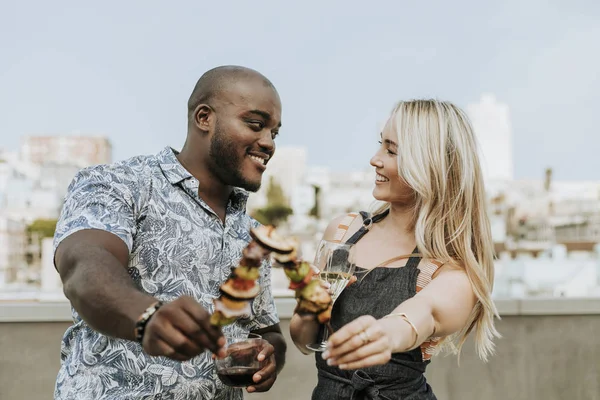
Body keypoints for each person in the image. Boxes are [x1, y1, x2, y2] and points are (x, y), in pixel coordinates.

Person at [53, 65, 286, 400]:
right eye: (255, 124)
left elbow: (266, 330)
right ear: (204, 118)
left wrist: (270, 356)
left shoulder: (253, 234)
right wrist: (147, 316)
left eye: (274, 133)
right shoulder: (120, 183)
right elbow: (85, 265)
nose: (268, 143)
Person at [290, 99, 500, 399]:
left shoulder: (448, 273)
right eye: (380, 145)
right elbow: (303, 340)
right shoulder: (342, 232)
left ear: (429, 165)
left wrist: (385, 334)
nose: (375, 159)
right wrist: (309, 309)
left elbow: (419, 315)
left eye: (391, 150)